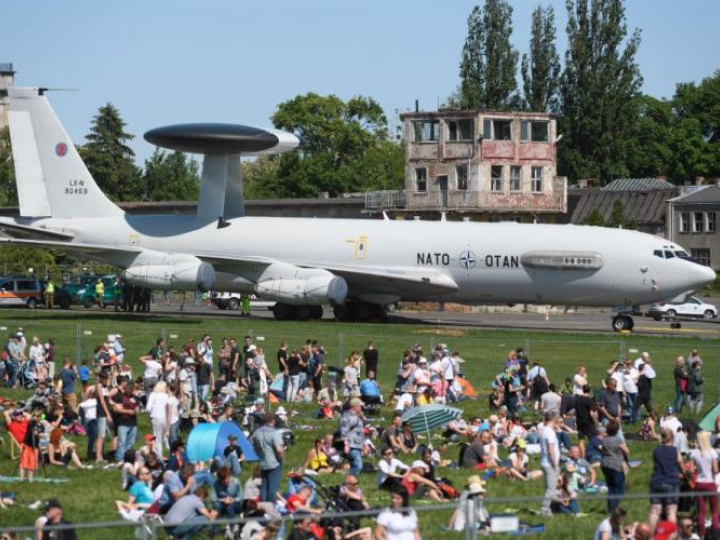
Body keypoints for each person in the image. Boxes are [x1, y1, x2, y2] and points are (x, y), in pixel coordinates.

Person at [648, 428, 681, 531]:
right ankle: (671, 535)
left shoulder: (656, 450)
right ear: (672, 438)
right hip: (671, 481)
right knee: (671, 511)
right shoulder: (675, 451)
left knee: (654, 511)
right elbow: (680, 463)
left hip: (656, 481)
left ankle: (650, 537)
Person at [690, 430, 719, 537]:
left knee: (701, 511)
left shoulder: (694, 452)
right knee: (714, 510)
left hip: (699, 483)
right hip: (710, 483)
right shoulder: (712, 452)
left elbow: (692, 470)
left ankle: (701, 533)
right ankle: (715, 533)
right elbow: (715, 470)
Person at [251, 412, 285, 503]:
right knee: (272, 488)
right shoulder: (275, 433)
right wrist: (281, 458)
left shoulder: (256, 433)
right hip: (274, 463)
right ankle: (271, 508)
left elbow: (254, 448)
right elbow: (279, 450)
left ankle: (263, 507)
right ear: (273, 421)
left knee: (264, 486)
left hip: (263, 462)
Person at [600, 419, 629, 513]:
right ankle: (615, 508)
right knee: (620, 487)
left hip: (605, 464)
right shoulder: (618, 440)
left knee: (611, 487)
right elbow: (626, 451)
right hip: (616, 465)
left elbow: (602, 450)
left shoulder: (604, 439)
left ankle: (610, 508)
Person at [540, 410, 560, 516]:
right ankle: (545, 510)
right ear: (553, 419)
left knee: (550, 488)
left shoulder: (545, 430)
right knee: (551, 489)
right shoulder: (549, 432)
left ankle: (551, 508)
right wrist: (554, 464)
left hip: (545, 462)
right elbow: (551, 448)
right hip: (550, 463)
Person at [340, 398, 365, 476]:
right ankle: (348, 478)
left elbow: (359, 432)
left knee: (354, 465)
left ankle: (351, 481)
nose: (361, 408)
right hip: (351, 445)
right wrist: (346, 444)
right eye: (360, 406)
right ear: (355, 406)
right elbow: (343, 430)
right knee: (358, 466)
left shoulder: (355, 416)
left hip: (356, 445)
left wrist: (364, 445)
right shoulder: (348, 416)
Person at [146, 381, 171, 459]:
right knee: (167, 438)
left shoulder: (153, 395)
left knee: (157, 439)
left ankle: (159, 458)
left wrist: (152, 409)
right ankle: (172, 455)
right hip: (166, 418)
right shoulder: (167, 396)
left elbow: (148, 408)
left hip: (156, 417)